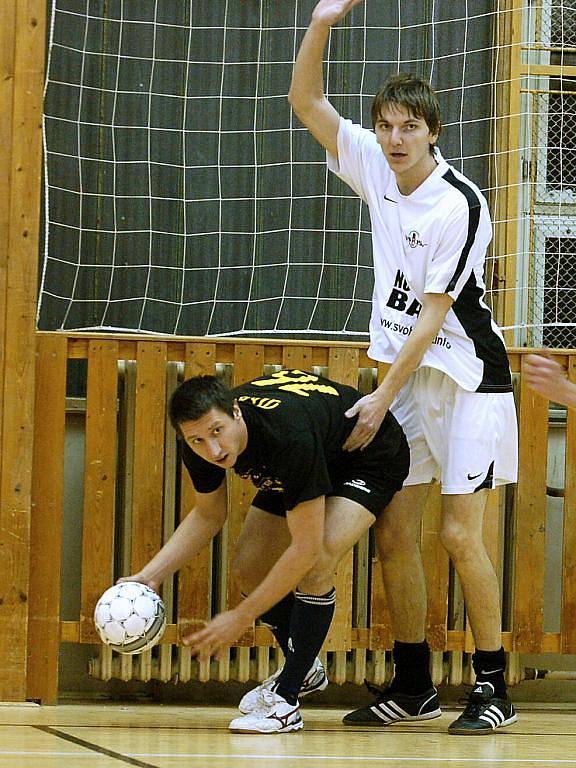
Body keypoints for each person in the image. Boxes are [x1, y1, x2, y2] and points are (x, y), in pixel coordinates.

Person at [288, 0, 519, 735]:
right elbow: (305, 101)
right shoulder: (372, 163)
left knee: (458, 535)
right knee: (393, 529)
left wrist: (380, 396)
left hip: (468, 380)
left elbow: (432, 314)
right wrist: (322, 23)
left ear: (432, 132)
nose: (393, 139)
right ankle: (415, 682)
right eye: (385, 125)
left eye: (408, 128)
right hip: (403, 378)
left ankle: (492, 687)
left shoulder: (459, 203)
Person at [120, 368, 409, 733]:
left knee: (316, 560)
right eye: (197, 441)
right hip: (305, 456)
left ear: (236, 413)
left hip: (365, 456)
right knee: (248, 568)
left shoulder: (287, 435)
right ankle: (303, 666)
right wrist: (150, 577)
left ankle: (287, 699)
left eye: (217, 432)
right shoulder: (198, 442)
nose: (213, 450)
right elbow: (208, 515)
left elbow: (304, 550)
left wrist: (241, 617)